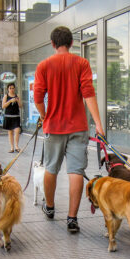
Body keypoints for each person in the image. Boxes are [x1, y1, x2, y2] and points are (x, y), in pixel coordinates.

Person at [34, 26, 104, 233]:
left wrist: (44, 116)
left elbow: (37, 98)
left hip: (53, 127)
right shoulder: (82, 63)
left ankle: (50, 207)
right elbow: (89, 94)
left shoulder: (44, 65)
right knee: (76, 171)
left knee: (50, 168)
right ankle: (72, 218)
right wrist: (98, 124)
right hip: (78, 127)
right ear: (71, 43)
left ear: (53, 44)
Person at [2, 82, 22, 152]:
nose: (12, 90)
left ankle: (16, 146)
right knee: (10, 132)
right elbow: (3, 106)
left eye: (13, 88)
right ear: (8, 89)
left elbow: (20, 106)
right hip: (8, 116)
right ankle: (12, 147)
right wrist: (10, 101)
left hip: (16, 116)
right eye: (10, 88)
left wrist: (17, 100)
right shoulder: (6, 96)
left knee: (17, 130)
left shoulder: (17, 96)